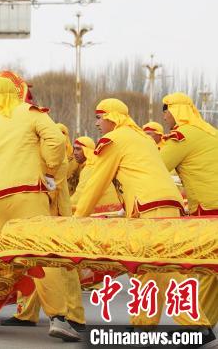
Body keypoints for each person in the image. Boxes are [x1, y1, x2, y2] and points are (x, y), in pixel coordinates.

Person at [74, 98, 212, 329]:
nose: (97, 123)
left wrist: (77, 219)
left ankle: (195, 326)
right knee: (144, 268)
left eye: (99, 117)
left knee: (165, 270)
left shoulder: (115, 139)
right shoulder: (140, 137)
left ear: (111, 117)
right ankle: (143, 324)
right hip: (168, 205)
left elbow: (97, 183)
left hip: (150, 209)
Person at [0, 75, 80, 341]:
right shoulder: (31, 113)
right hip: (28, 194)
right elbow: (55, 140)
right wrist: (50, 169)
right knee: (43, 254)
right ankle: (58, 318)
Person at [160, 92, 218, 337]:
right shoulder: (210, 132)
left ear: (176, 111)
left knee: (193, 270)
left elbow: (155, 167)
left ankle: (195, 325)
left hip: (207, 212)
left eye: (165, 110)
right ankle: (200, 327)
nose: (164, 117)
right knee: (211, 273)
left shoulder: (182, 137)